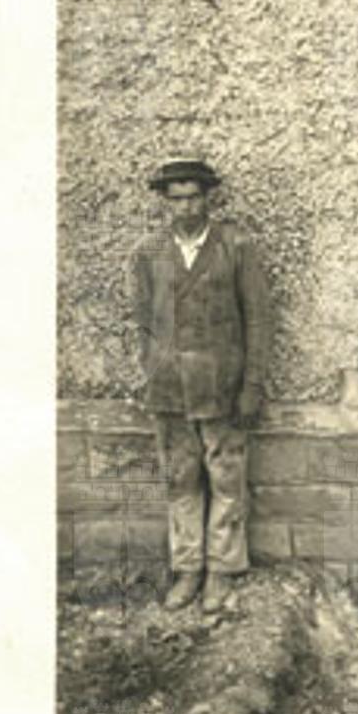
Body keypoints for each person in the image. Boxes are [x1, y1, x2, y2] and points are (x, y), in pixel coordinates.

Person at [133, 159, 269, 613]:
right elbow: (144, 321)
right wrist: (153, 371)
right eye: (176, 198)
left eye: (194, 196)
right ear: (165, 202)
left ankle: (221, 571)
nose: (186, 207)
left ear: (208, 197)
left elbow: (258, 319)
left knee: (227, 479)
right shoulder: (150, 252)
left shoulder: (236, 246)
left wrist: (251, 385)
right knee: (180, 480)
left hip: (222, 388)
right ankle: (188, 569)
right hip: (170, 390)